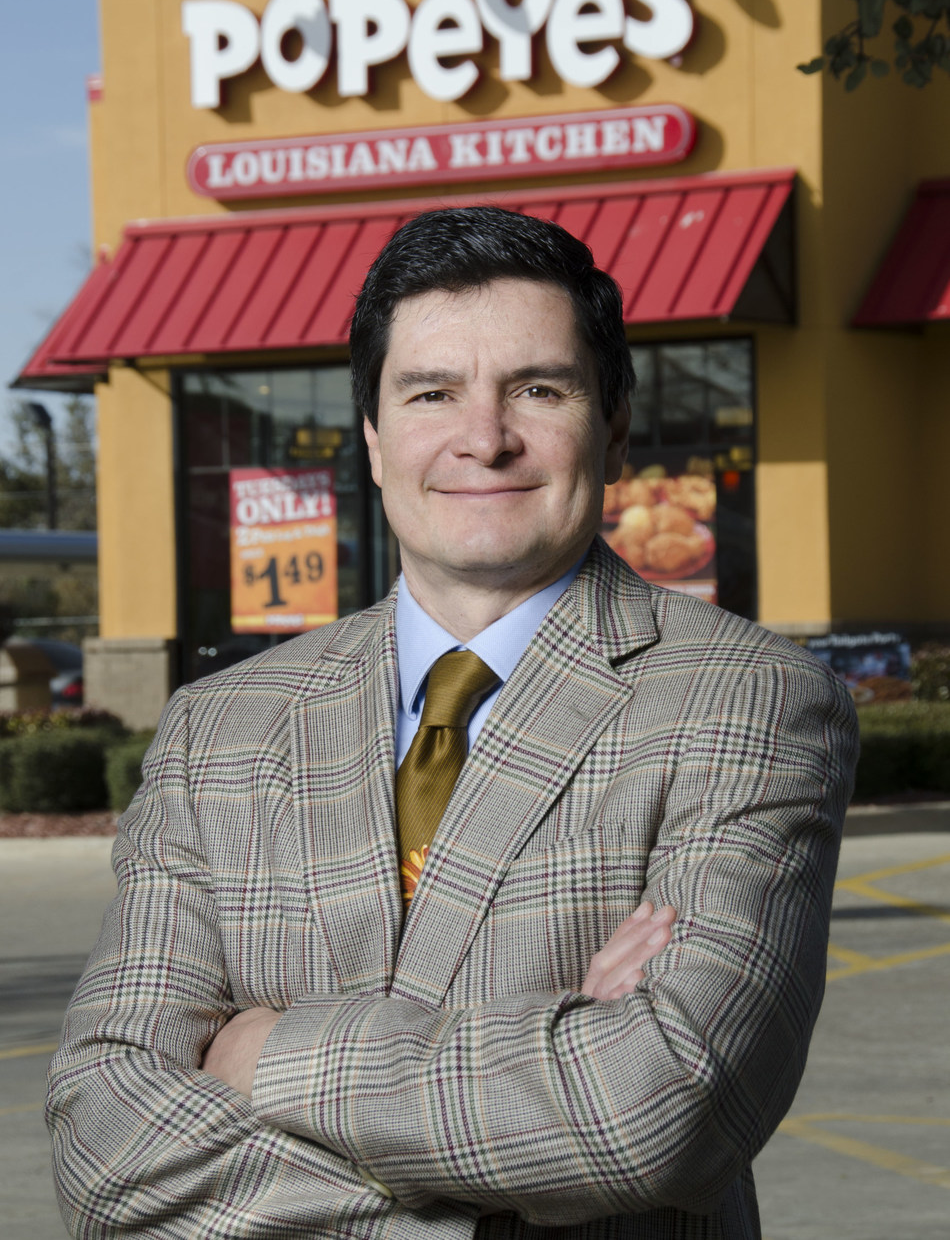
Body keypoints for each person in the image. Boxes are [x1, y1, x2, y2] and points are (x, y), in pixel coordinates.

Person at [47, 206, 858, 1240]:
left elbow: (654, 1111)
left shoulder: (745, 700)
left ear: (611, 430)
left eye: (538, 388)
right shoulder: (220, 728)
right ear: (377, 442)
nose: (483, 437)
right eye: (431, 393)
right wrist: (519, 1117)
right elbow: (101, 1142)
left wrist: (265, 1053)